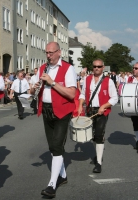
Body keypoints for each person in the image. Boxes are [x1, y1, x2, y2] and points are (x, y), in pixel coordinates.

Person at [31, 42, 77, 198]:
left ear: (59, 52)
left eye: (51, 52)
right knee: (52, 146)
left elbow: (71, 94)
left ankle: (52, 184)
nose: (48, 55)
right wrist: (34, 88)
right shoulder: (43, 68)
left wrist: (52, 82)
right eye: (46, 52)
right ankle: (63, 176)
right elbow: (34, 90)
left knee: (57, 145)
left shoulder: (68, 68)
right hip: (46, 110)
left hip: (63, 111)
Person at [78, 59, 118, 173]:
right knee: (93, 135)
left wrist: (104, 106)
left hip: (102, 111)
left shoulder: (108, 81)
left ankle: (99, 163)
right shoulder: (87, 79)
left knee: (99, 134)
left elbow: (114, 98)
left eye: (99, 66)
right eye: (95, 66)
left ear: (103, 67)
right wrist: (80, 105)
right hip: (90, 110)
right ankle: (97, 155)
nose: (96, 68)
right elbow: (83, 93)